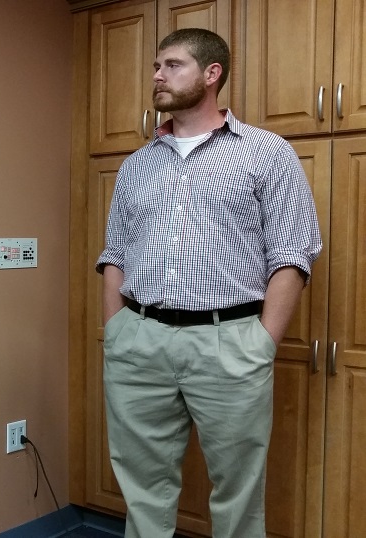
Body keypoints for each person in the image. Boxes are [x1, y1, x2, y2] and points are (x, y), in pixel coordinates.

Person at [95, 28, 322, 538]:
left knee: (238, 492)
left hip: (230, 343)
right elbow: (115, 254)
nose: (157, 75)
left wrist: (261, 343)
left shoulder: (266, 153)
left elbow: (292, 253)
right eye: (156, 66)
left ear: (211, 73)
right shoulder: (136, 165)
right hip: (139, 342)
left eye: (171, 65)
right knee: (142, 490)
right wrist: (116, 331)